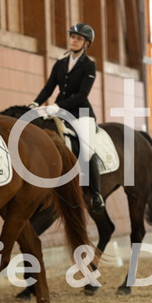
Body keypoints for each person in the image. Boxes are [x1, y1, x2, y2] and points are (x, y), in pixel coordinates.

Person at [28, 23, 104, 211]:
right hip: (59, 111)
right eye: (72, 37)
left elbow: (82, 95)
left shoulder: (89, 66)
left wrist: (57, 106)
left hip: (81, 112)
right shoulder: (60, 64)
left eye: (79, 38)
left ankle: (96, 194)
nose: (74, 40)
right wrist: (35, 104)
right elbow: (48, 88)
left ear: (86, 43)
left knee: (87, 149)